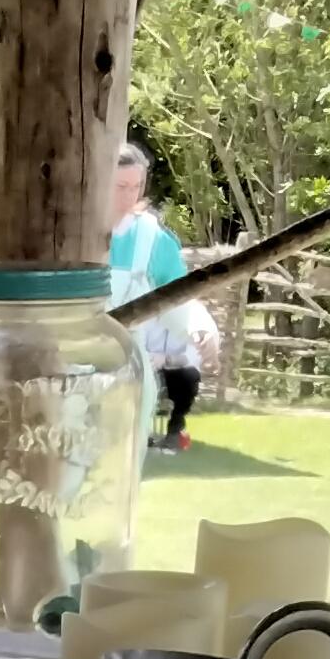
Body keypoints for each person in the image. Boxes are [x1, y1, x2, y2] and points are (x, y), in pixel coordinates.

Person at [105, 142, 218, 450]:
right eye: (120, 186)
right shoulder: (68, 232)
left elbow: (178, 296)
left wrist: (199, 327)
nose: (129, 196)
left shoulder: (153, 239)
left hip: (130, 375)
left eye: (136, 186)